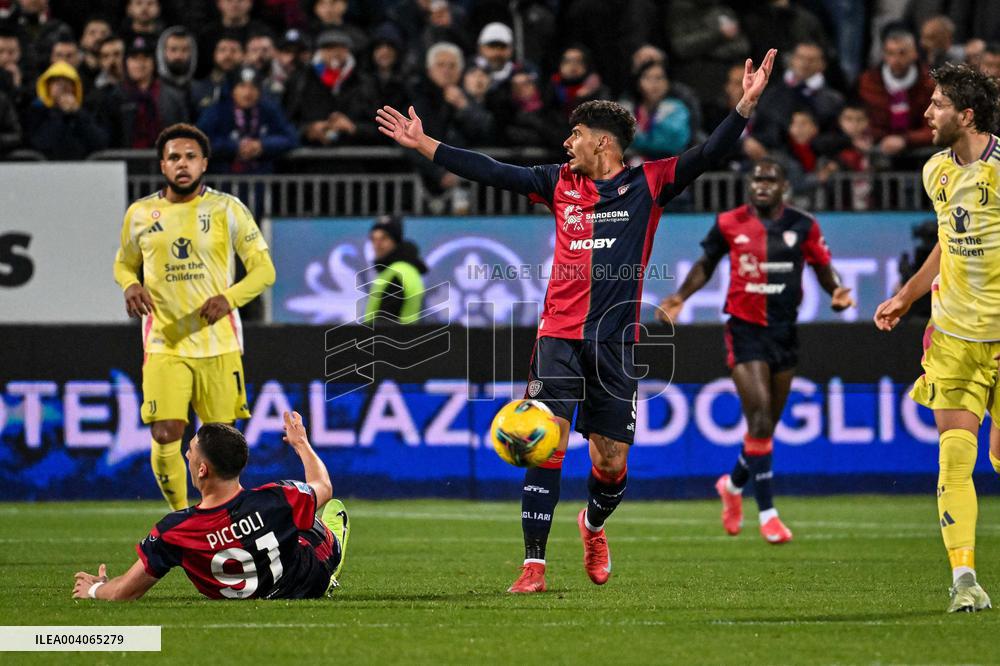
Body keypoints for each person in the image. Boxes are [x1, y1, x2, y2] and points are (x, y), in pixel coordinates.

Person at [376, 49, 778, 594]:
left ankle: (592, 524)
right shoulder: (557, 182)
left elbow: (708, 153)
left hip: (614, 344)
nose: (567, 143)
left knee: (610, 464)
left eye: (576, 135)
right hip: (558, 337)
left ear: (603, 142)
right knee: (547, 441)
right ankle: (533, 565)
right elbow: (493, 171)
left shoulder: (650, 184)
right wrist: (427, 145)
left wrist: (744, 108)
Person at [657, 159, 854, 543]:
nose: (761, 185)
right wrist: (680, 297)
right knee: (760, 419)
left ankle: (731, 486)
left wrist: (837, 291)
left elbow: (822, 266)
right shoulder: (730, 222)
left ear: (784, 187)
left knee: (763, 430)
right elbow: (706, 263)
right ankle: (768, 514)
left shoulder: (803, 225)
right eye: (756, 179)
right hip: (744, 330)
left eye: (770, 180)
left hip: (784, 331)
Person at [874, 62, 1000, 613]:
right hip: (952, 335)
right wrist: (907, 295)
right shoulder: (935, 172)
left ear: (966, 115)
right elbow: (948, 242)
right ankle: (965, 580)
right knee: (954, 457)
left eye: (939, 104)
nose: (927, 113)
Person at [112, 123, 276, 511]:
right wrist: (129, 285)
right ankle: (182, 517)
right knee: (166, 429)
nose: (181, 164)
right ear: (162, 165)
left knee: (221, 442)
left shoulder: (227, 209)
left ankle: (220, 515)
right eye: (173, 157)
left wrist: (229, 298)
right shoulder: (140, 213)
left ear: (204, 162)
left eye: (189, 156)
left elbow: (264, 271)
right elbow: (123, 264)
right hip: (164, 341)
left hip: (219, 342)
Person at [71, 413, 351, 600]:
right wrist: (300, 443)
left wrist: (96, 588)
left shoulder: (173, 531)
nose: (186, 453)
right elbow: (323, 485)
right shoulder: (278, 498)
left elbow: (124, 592)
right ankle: (333, 544)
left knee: (304, 520)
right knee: (312, 519)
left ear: (202, 470)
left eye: (191, 450)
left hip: (248, 587)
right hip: (307, 584)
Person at [363, 215, 429, 324]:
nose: (377, 245)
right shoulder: (403, 270)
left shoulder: (397, 273)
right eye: (374, 239)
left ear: (395, 241)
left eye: (383, 238)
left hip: (392, 338)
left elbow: (385, 322)